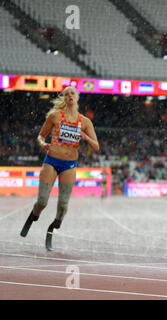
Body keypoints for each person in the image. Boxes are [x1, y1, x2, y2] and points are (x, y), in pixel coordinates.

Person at [20, 86, 99, 251]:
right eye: (66, 94)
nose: (69, 95)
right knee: (42, 201)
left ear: (77, 97)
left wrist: (85, 137)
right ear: (64, 98)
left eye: (72, 93)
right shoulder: (54, 116)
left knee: (63, 205)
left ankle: (52, 228)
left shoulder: (85, 122)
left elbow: (96, 146)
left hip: (69, 165)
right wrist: (43, 144)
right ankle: (34, 215)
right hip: (51, 161)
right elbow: (41, 136)